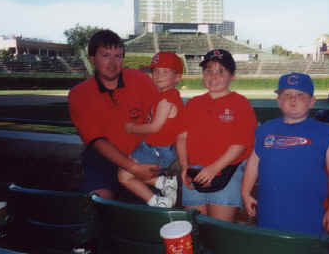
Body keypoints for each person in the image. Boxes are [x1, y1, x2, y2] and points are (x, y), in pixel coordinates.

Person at [242, 72, 329, 236]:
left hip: (309, 214)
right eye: (287, 94)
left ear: (312, 102)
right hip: (270, 212)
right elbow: (253, 163)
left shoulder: (326, 133)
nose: (293, 99)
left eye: (300, 95)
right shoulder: (265, 130)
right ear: (278, 101)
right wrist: (245, 192)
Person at [68, 29, 160, 199]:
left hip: (140, 154)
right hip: (102, 159)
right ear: (92, 59)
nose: (112, 63)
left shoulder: (140, 80)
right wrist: (131, 168)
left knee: (150, 210)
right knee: (99, 204)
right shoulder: (79, 94)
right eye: (106, 55)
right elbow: (96, 140)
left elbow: (160, 115)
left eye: (117, 56)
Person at [177, 49, 257, 222]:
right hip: (194, 172)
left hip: (225, 173)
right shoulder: (193, 103)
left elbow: (240, 144)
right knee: (194, 229)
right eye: (208, 71)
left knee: (218, 231)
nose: (213, 76)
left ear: (232, 76)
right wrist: (184, 166)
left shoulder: (241, 104)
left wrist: (214, 168)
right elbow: (182, 137)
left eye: (221, 71)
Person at [118, 51, 184, 208]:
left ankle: (159, 201)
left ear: (177, 77)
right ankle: (163, 184)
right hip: (154, 147)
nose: (159, 75)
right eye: (155, 71)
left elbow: (154, 127)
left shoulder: (167, 99)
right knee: (125, 173)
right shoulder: (164, 96)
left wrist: (132, 128)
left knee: (123, 176)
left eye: (165, 71)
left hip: (157, 150)